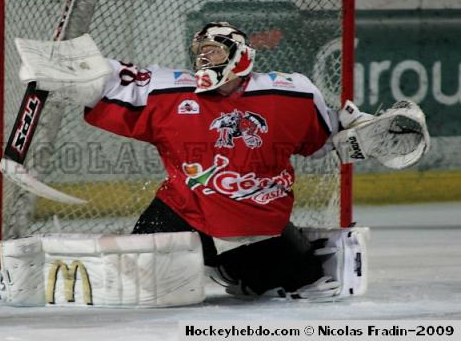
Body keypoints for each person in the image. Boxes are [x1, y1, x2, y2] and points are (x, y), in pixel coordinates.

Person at [82, 22, 342, 299]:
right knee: (140, 277)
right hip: (183, 210)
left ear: (239, 55)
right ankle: (230, 264)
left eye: (214, 51)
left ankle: (237, 267)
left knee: (299, 282)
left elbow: (322, 142)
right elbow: (116, 81)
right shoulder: (169, 91)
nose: (204, 58)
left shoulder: (292, 94)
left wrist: (357, 134)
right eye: (201, 52)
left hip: (255, 217)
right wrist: (79, 71)